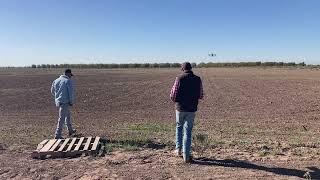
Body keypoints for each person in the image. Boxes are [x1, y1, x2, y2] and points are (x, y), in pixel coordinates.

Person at [170, 62, 203, 163]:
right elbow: (201, 95)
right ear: (191, 68)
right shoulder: (198, 79)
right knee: (188, 131)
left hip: (180, 108)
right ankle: (186, 156)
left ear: (182, 69)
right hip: (192, 109)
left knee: (179, 127)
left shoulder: (179, 78)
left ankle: (178, 150)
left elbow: (173, 94)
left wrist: (177, 101)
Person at [51, 69, 76, 139]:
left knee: (67, 115)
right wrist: (71, 102)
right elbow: (70, 93)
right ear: (68, 74)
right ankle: (57, 134)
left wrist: (57, 97)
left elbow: (52, 91)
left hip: (59, 101)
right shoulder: (68, 81)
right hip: (65, 102)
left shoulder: (56, 80)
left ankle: (70, 130)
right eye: (70, 75)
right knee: (61, 118)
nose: (71, 77)